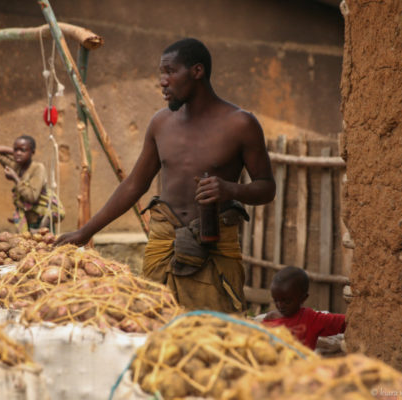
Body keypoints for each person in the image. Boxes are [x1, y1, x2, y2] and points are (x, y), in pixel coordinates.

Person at [56, 38, 276, 312]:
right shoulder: (161, 123)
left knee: (213, 334)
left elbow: (267, 187)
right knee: (154, 323)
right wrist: (85, 232)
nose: (162, 81)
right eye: (161, 73)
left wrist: (230, 190)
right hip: (162, 244)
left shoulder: (241, 124)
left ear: (197, 71)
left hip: (214, 246)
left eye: (170, 71)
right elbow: (135, 185)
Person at [0, 135, 64, 234]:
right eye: (16, 150)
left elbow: (32, 197)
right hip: (26, 219)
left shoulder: (38, 168)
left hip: (42, 219)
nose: (18, 153)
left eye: (23, 150)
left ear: (32, 152)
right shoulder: (16, 166)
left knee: (43, 246)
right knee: (25, 245)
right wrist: (16, 152)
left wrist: (15, 178)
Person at [262, 266, 346, 350]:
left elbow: (345, 322)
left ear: (303, 298)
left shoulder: (311, 319)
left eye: (287, 302)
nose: (280, 305)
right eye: (276, 300)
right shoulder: (270, 319)